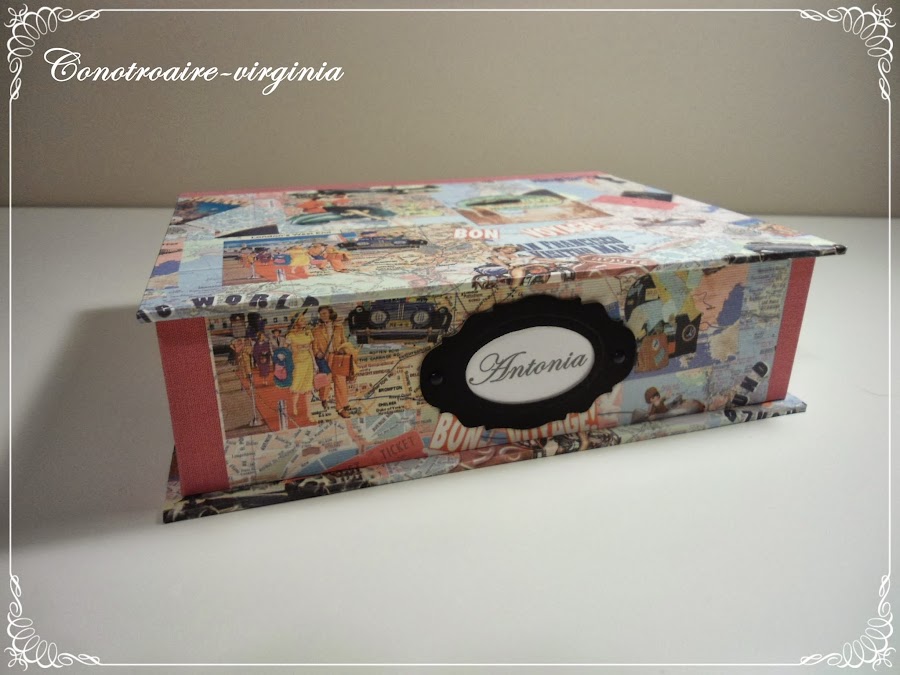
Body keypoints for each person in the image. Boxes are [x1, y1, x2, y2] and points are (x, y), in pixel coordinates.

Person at [312, 306, 357, 418]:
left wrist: (343, 349)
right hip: (325, 359)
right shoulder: (316, 330)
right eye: (321, 314)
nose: (322, 316)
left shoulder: (339, 328)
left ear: (330, 314)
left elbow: (344, 342)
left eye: (324, 313)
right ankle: (323, 398)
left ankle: (341, 407)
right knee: (326, 381)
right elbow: (314, 347)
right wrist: (318, 353)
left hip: (338, 358)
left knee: (341, 382)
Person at [286, 315, 316, 426]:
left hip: (308, 362)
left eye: (304, 319)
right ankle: (294, 405)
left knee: (308, 388)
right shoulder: (290, 335)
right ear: (296, 322)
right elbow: (284, 350)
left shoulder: (308, 333)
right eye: (301, 319)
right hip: (297, 363)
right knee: (296, 386)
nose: (304, 321)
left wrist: (315, 363)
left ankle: (309, 413)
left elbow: (311, 349)